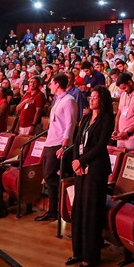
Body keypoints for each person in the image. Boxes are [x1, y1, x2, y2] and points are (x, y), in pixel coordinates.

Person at [67, 87, 115, 267]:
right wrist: (75, 162)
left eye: (95, 97)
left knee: (91, 212)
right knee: (78, 209)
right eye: (91, 97)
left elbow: (101, 145)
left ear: (102, 100)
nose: (92, 100)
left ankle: (91, 257)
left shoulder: (108, 118)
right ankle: (78, 251)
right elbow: (77, 141)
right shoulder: (86, 117)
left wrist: (82, 161)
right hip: (81, 167)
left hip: (96, 169)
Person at [36, 73, 78, 222]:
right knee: (47, 177)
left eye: (51, 83)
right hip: (50, 142)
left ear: (58, 84)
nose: (49, 86)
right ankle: (53, 209)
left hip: (59, 143)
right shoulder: (57, 100)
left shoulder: (69, 100)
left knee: (49, 175)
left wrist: (64, 145)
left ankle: (68, 192)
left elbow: (70, 124)